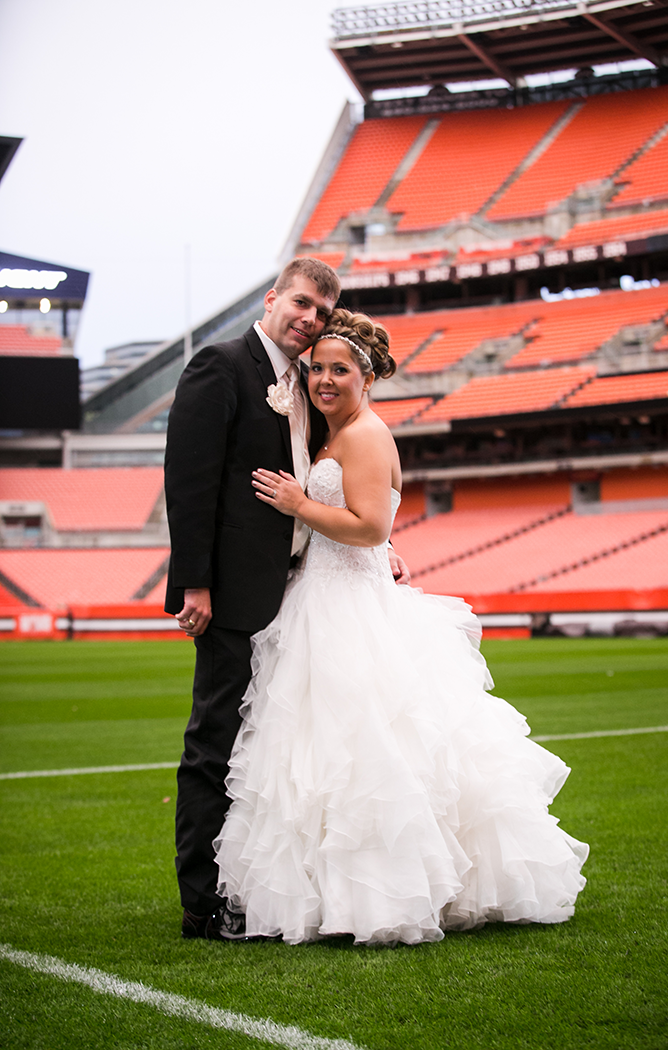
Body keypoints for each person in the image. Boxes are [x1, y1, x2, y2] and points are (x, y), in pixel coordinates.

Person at [214, 309, 589, 946]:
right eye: (318, 369)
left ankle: (380, 898)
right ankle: (328, 894)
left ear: (368, 376)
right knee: (316, 756)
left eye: (340, 370)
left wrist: (299, 502)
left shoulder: (362, 434)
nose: (325, 380)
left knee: (363, 753)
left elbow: (370, 527)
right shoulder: (330, 433)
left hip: (349, 608)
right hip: (320, 596)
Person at [164, 260, 409, 941]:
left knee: (266, 750)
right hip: (234, 594)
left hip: (297, 591)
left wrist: (372, 545)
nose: (308, 317)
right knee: (216, 743)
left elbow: (334, 488)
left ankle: (251, 889)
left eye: (321, 311)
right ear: (273, 298)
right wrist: (194, 583)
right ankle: (201, 900)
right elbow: (190, 481)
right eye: (300, 302)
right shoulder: (221, 366)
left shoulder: (305, 382)